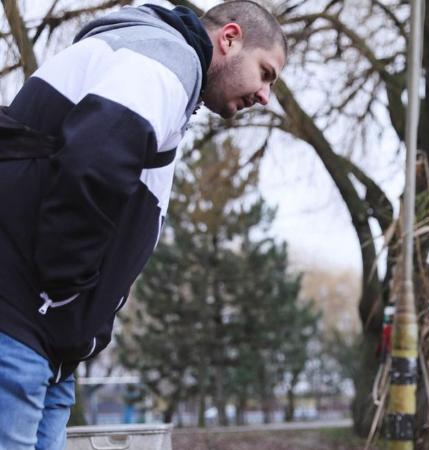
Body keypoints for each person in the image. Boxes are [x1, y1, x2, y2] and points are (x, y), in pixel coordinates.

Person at [0, 1, 287, 448]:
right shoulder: (165, 60)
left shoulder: (154, 62)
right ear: (230, 38)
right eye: (266, 72)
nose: (265, 96)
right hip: (22, 327)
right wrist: (64, 290)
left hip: (48, 345)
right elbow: (94, 162)